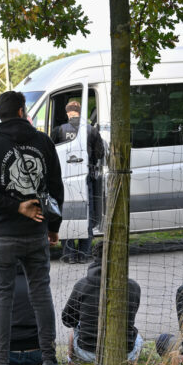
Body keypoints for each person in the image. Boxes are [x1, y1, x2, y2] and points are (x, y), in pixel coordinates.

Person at [0, 90, 64, 365]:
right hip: (36, 232)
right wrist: (52, 227)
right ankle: (49, 362)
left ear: (0, 115)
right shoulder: (43, 143)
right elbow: (55, 188)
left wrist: (15, 207)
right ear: (22, 111)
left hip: (2, 235)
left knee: (2, 297)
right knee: (41, 294)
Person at [62, 242, 143, 363]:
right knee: (138, 337)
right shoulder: (133, 287)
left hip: (88, 353)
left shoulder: (82, 285)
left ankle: (71, 359)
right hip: (124, 354)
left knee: (74, 330)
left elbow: (67, 320)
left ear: (95, 257)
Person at [52, 100, 105, 263]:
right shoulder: (91, 130)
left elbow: (51, 152)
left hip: (64, 178)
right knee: (86, 213)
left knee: (66, 213)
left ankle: (69, 254)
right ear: (79, 113)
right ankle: (84, 254)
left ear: (68, 113)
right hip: (84, 177)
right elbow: (100, 153)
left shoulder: (59, 130)